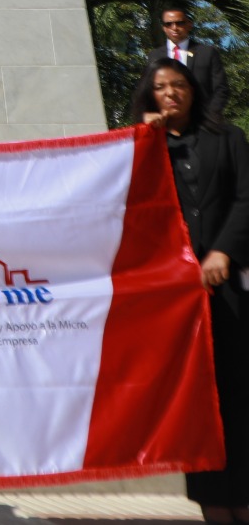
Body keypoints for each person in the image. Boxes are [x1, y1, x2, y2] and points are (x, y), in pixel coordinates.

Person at [133, 59, 249, 520]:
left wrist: (224, 250)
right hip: (177, 299)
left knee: (237, 393)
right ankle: (211, 504)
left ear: (194, 90)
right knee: (199, 403)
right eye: (160, 88)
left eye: (179, 85)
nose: (171, 94)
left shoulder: (230, 138)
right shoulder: (144, 145)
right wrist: (142, 139)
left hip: (229, 289)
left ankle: (242, 497)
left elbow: (246, 197)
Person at [150, 6, 229, 125]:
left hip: (204, 124)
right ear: (164, 28)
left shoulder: (207, 53)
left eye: (179, 23)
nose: (174, 28)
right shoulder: (154, 56)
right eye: (169, 24)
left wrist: (210, 117)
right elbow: (148, 90)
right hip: (167, 125)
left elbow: (221, 89)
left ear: (189, 24)